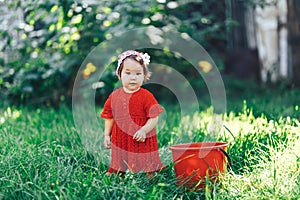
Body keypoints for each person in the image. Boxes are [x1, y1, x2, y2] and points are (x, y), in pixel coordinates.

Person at [101, 50, 165, 177]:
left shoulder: (146, 96)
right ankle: (118, 174)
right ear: (120, 75)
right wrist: (107, 135)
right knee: (120, 157)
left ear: (144, 76)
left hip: (142, 136)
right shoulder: (115, 96)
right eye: (128, 73)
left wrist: (144, 130)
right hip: (121, 137)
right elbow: (109, 116)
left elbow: (154, 117)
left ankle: (150, 177)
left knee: (146, 158)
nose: (133, 77)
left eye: (138, 73)